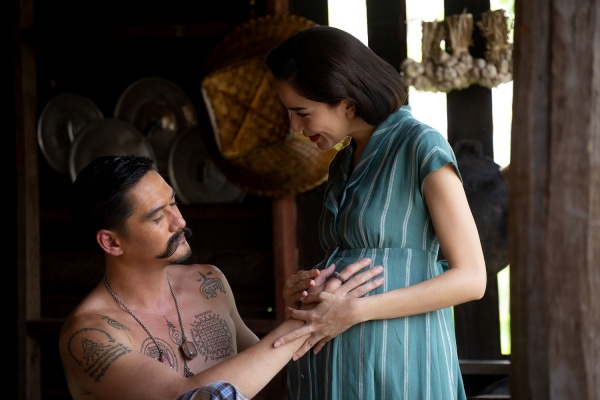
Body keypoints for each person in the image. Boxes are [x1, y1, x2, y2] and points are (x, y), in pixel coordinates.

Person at [265, 25, 487, 399]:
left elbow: (472, 278)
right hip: (337, 373)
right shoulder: (342, 163)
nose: (295, 127)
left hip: (403, 367)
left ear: (347, 103)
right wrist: (307, 289)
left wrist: (356, 311)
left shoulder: (421, 145)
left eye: (301, 113)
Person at [58, 154, 385, 400]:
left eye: (173, 202)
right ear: (112, 242)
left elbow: (266, 374)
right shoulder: (90, 335)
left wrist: (304, 306)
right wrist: (308, 320)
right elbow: (190, 396)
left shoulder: (208, 282)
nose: (179, 221)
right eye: (158, 217)